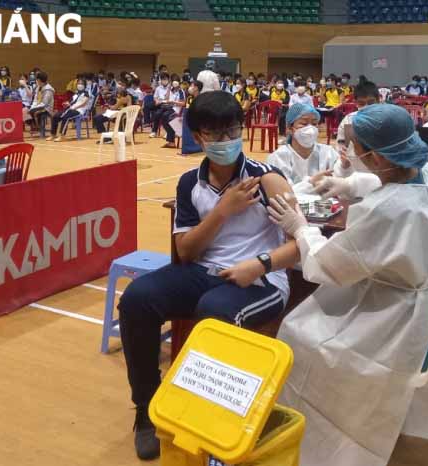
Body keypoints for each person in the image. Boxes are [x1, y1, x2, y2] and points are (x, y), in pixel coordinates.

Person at [268, 103, 428, 466]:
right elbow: (385, 180)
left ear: (374, 155)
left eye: (355, 148)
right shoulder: (427, 174)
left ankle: (323, 440)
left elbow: (327, 266)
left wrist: (300, 228)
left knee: (298, 331)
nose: (351, 154)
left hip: (402, 323)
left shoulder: (388, 210)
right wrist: (346, 183)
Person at [118, 91, 299, 460]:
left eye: (231, 130)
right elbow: (186, 252)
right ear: (197, 137)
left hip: (261, 278)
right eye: (213, 134)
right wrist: (222, 211)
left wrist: (260, 264)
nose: (224, 140)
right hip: (205, 270)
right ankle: (146, 411)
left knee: (215, 310)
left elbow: (303, 244)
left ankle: (214, 421)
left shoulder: (268, 180)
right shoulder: (189, 182)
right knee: (137, 299)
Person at [267, 103, 345, 194]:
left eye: (314, 123)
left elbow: (342, 183)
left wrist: (345, 167)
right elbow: (283, 193)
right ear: (289, 128)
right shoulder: (279, 157)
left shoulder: (328, 153)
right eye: (304, 123)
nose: (310, 128)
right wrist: (311, 182)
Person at [335, 79, 380, 175]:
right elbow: (342, 147)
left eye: (371, 102)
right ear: (355, 103)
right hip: (355, 172)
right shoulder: (349, 121)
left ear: (378, 100)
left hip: (382, 173)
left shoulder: (388, 119)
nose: (367, 106)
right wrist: (344, 161)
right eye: (361, 103)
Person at [26, 71, 55, 137]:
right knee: (25, 111)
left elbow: (44, 103)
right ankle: (35, 126)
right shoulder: (38, 87)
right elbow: (35, 99)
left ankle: (37, 127)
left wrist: (33, 109)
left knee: (33, 112)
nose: (36, 81)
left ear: (39, 80)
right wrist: (32, 107)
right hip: (39, 105)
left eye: (37, 79)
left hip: (46, 108)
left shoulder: (48, 89)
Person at [160, 77, 186, 149]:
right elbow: (166, 99)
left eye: (176, 81)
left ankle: (171, 141)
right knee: (161, 116)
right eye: (173, 81)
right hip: (170, 108)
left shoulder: (181, 91)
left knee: (167, 117)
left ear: (178, 83)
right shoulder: (171, 90)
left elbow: (183, 104)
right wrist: (168, 89)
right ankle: (171, 140)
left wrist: (173, 102)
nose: (174, 83)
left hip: (177, 110)